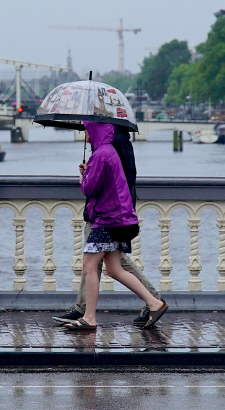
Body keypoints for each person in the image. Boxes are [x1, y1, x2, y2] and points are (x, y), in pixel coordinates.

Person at [62, 121, 168, 331]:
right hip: (119, 218)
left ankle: (89, 317)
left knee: (90, 267)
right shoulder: (110, 151)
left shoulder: (101, 154)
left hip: (106, 219)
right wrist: (90, 170)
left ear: (95, 130)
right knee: (115, 269)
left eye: (87, 130)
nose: (86, 135)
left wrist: (84, 175)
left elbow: (89, 188)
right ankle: (154, 303)